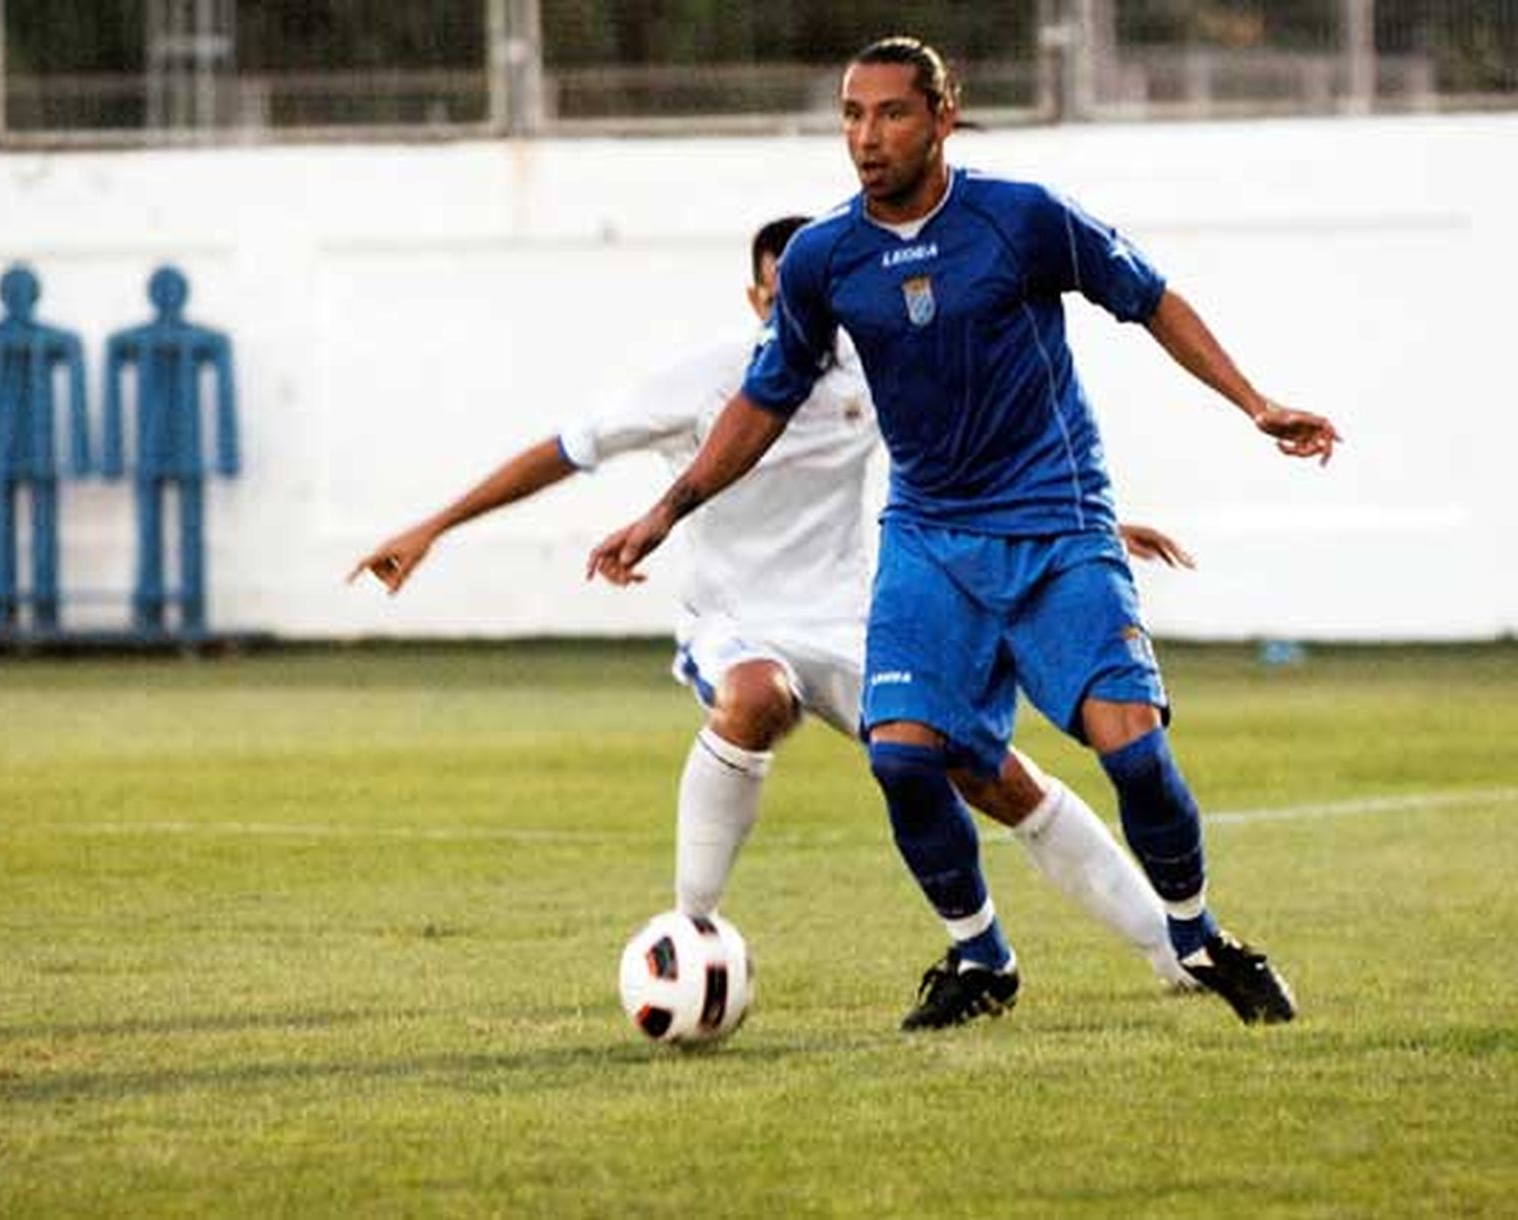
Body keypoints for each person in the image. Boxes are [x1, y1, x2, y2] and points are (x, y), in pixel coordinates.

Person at [588, 37, 1341, 1029]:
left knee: (1134, 755)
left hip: (1054, 525)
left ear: (943, 117)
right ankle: (980, 955)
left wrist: (1254, 403)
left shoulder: (1019, 218)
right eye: (851, 115)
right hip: (928, 539)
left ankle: (1201, 936)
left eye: (891, 113)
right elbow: (763, 399)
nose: (866, 137)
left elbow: (1149, 298)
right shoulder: (823, 257)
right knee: (902, 755)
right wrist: (665, 508)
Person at [353, 214, 1203, 1001]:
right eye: (780, 289)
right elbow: (568, 451)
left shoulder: (876, 371)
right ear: (762, 296)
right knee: (756, 695)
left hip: (857, 621)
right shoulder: (707, 379)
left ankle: (1170, 952)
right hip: (738, 621)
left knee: (996, 776)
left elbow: (969, 458)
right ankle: (692, 926)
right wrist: (434, 526)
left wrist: (1088, 522)